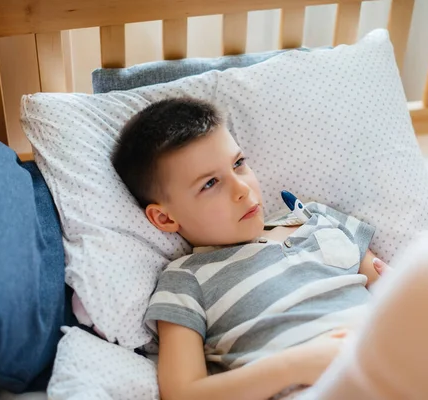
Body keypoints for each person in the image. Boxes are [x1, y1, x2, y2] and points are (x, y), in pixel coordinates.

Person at [112, 98, 390, 400]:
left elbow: (392, 287)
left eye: (238, 164)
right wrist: (296, 366)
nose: (242, 189)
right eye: (209, 184)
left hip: (398, 363)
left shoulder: (316, 218)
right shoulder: (186, 279)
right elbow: (182, 393)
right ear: (164, 217)